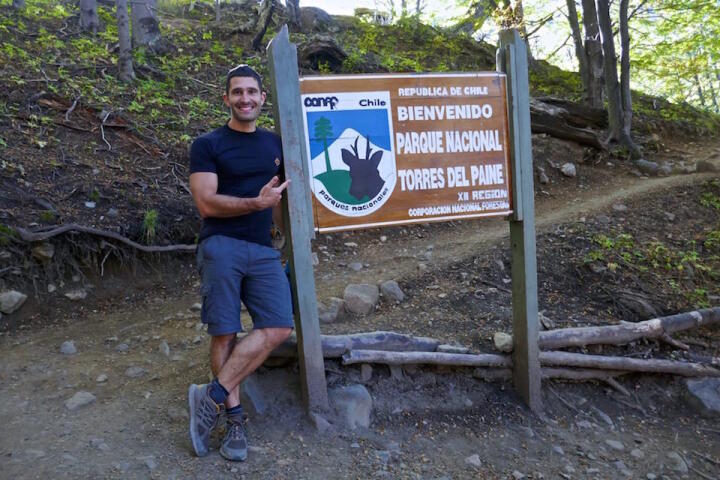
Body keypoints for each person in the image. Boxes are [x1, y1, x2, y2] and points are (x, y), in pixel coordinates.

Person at [187, 64, 294, 462]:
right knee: (225, 333)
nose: (245, 98)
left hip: (264, 249)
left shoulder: (276, 145)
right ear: (226, 98)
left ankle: (209, 396)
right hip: (221, 245)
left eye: (252, 91)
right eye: (237, 92)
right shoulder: (208, 144)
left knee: (279, 326)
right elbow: (205, 202)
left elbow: (282, 199)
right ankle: (233, 418)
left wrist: (287, 240)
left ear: (263, 98)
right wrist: (256, 203)